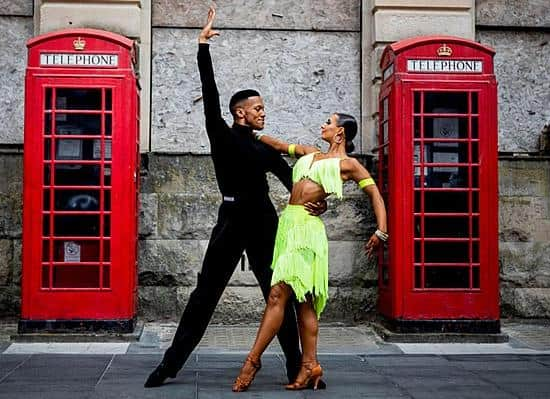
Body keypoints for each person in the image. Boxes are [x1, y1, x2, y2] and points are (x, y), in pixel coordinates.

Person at [144, 5, 327, 388]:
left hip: (263, 223)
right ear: (240, 113)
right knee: (204, 296)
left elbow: (293, 178)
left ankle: (298, 366)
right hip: (230, 221)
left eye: (263, 108)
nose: (263, 113)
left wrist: (317, 199)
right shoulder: (222, 135)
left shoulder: (263, 147)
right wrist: (202, 47)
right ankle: (168, 366)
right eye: (257, 108)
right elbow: (210, 96)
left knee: (279, 297)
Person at [231, 113, 388, 392]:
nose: (322, 125)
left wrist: (381, 231)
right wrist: (250, 133)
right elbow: (279, 146)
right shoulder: (310, 153)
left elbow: (375, 193)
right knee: (305, 302)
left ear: (340, 133)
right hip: (287, 226)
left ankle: (252, 361)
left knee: (278, 294)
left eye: (328, 122)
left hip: (307, 232)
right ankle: (310, 366)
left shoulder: (348, 165)